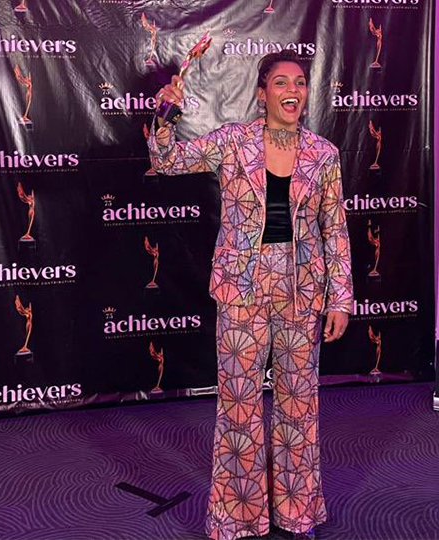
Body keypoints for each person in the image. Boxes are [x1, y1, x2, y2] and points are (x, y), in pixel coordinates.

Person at [148, 50, 354, 540]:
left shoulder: (323, 154)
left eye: (300, 83)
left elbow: (335, 227)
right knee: (239, 405)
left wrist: (340, 297)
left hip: (302, 292)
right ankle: (239, 518)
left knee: (298, 406)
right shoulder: (234, 142)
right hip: (242, 290)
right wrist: (164, 115)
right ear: (262, 93)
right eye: (280, 82)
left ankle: (296, 512)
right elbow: (168, 161)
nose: (292, 91)